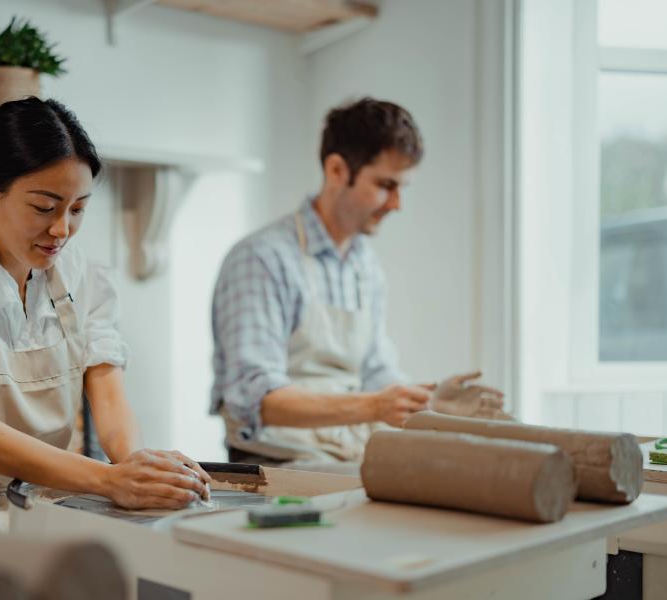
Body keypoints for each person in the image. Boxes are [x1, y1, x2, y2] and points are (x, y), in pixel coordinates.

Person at [0, 97, 211, 530]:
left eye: (78, 209)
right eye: (45, 207)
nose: (62, 229)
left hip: (37, 512)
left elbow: (111, 403)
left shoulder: (84, 277)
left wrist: (140, 468)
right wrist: (108, 479)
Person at [210, 97, 505, 472]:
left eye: (402, 188)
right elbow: (255, 401)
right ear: (336, 169)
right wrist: (376, 406)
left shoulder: (364, 264)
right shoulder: (262, 259)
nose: (396, 203)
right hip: (276, 464)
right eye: (386, 185)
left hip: (346, 453)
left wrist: (428, 403)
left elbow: (376, 372)